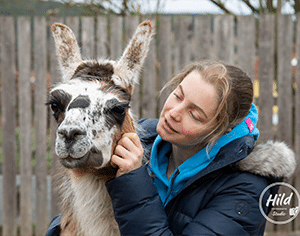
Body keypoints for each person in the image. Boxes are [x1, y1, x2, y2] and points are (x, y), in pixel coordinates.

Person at [46, 61, 295, 236]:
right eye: (178, 95)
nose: (174, 113)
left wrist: (133, 181)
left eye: (194, 114)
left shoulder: (245, 190)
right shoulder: (143, 140)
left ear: (221, 131)